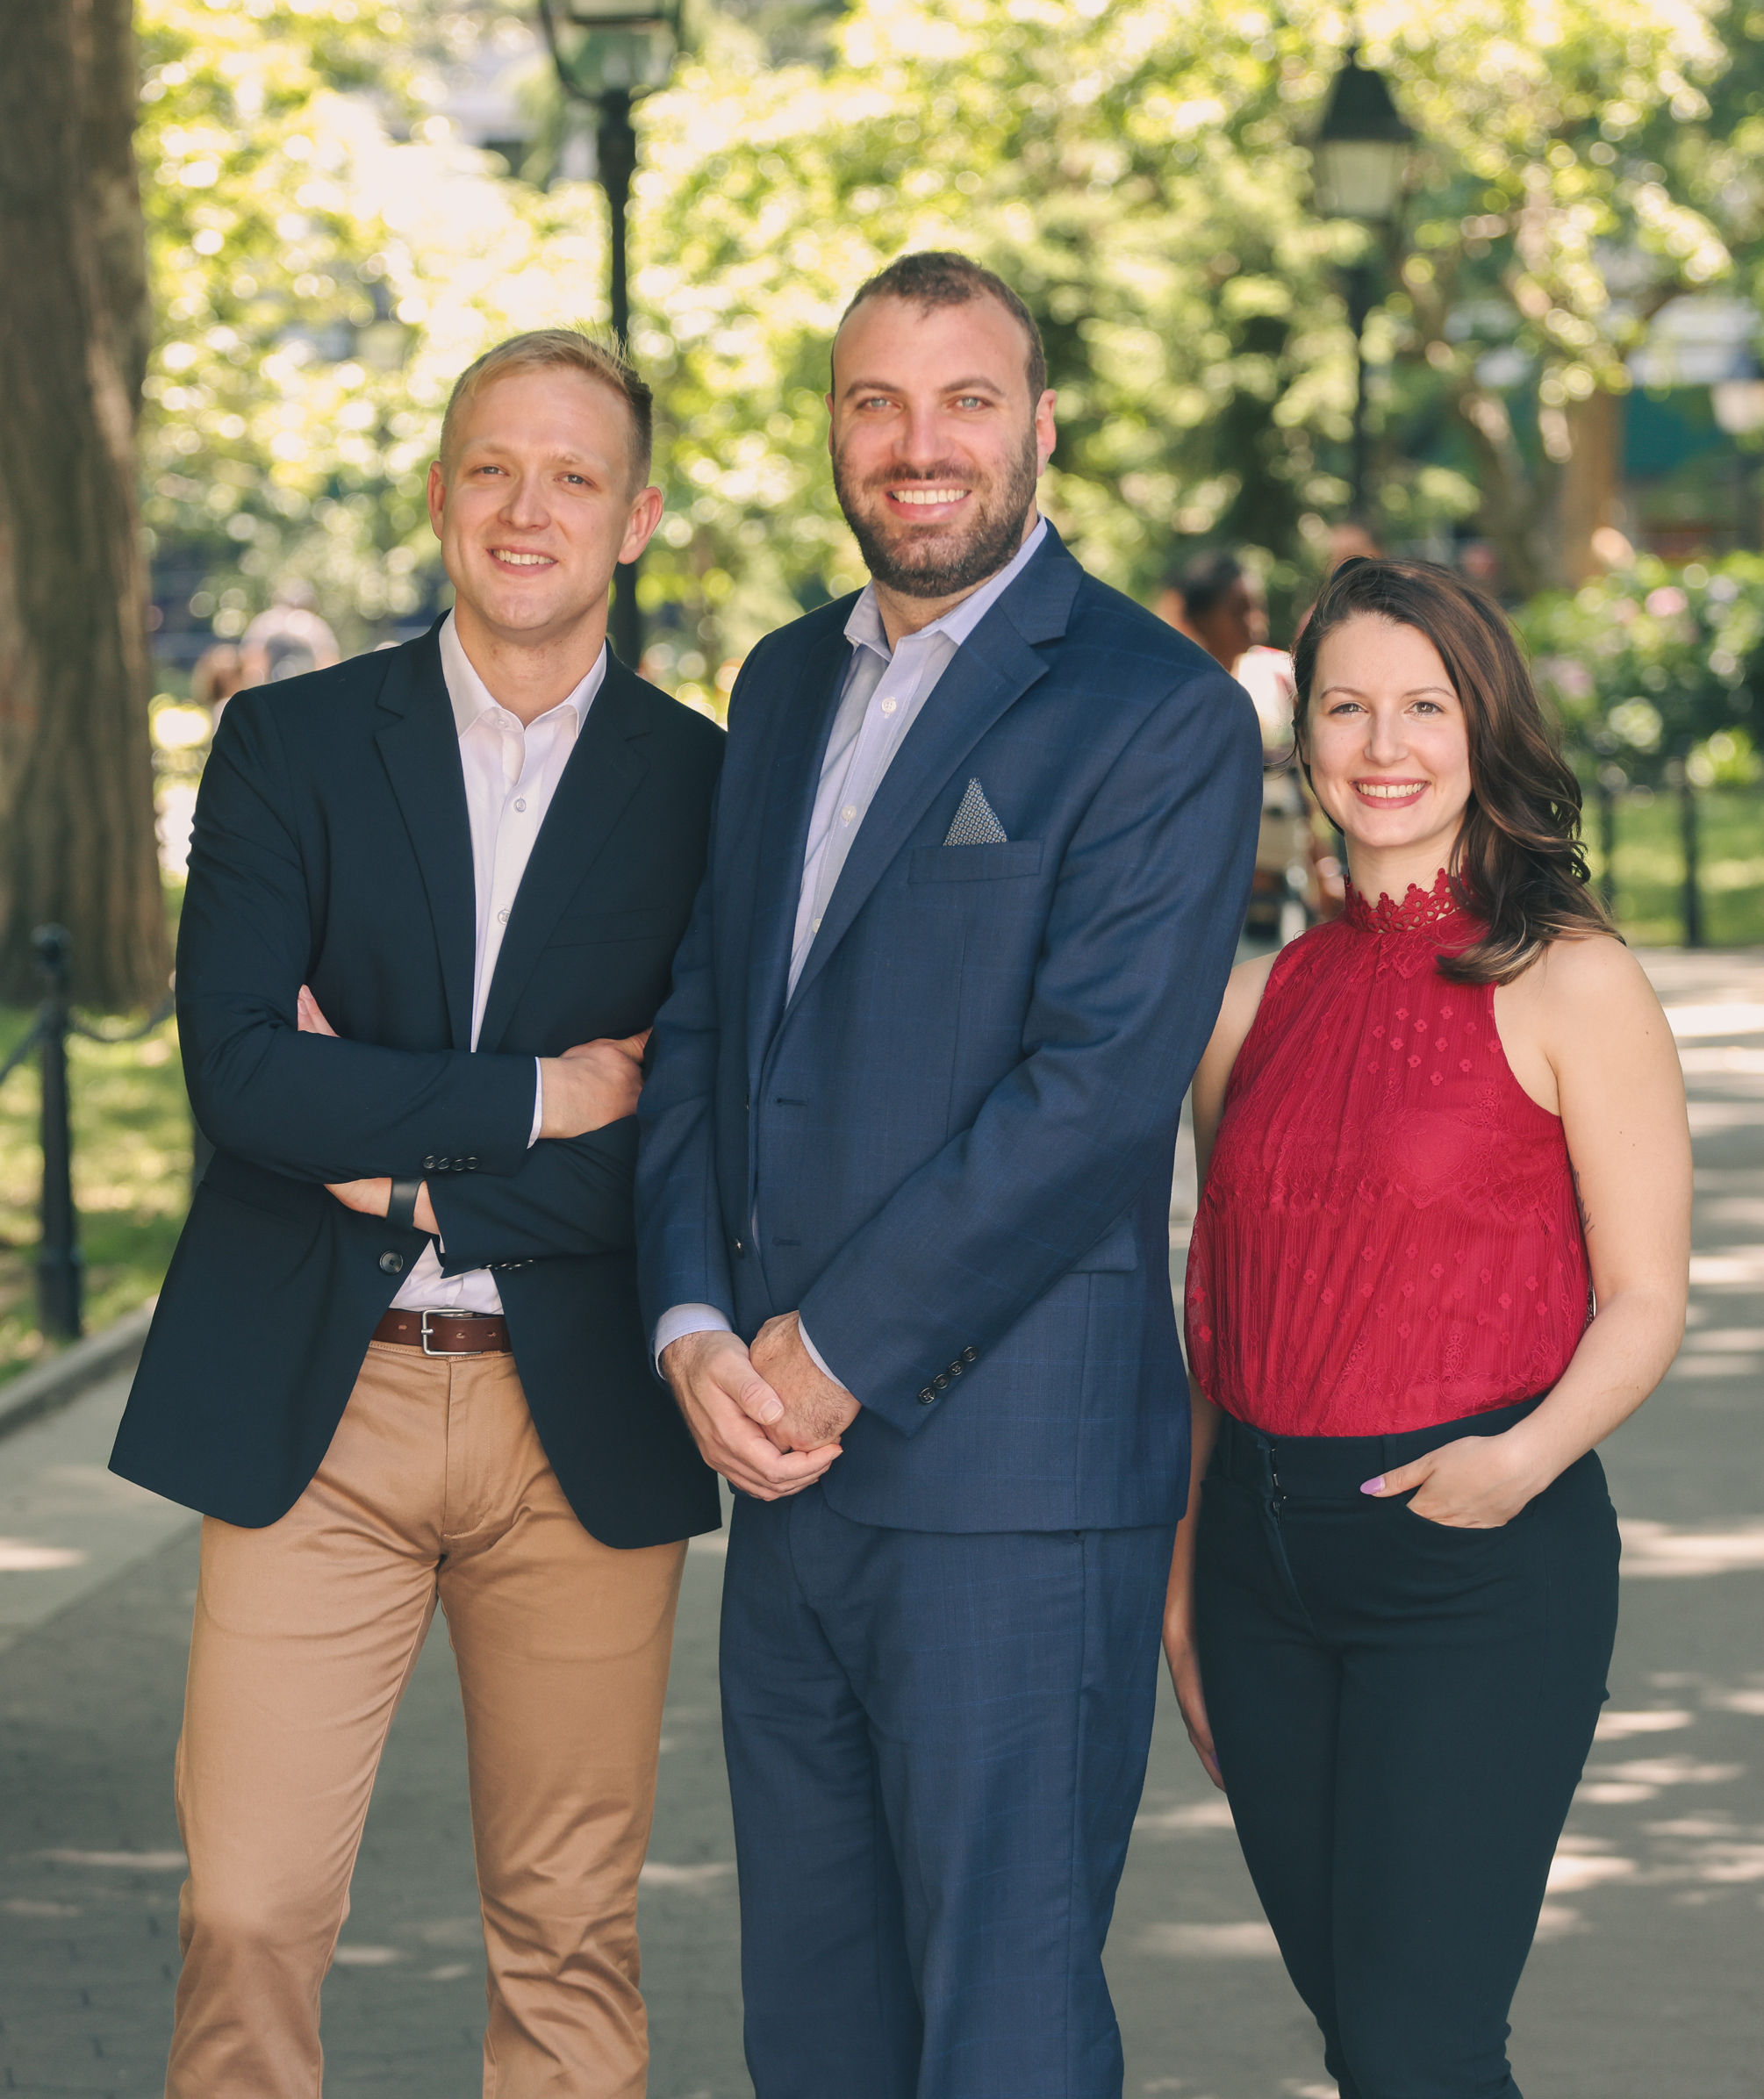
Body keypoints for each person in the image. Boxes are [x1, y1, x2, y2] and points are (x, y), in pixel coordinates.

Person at [636, 250, 1262, 2099]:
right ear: (835, 429)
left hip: (1014, 1488)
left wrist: (823, 1355)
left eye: (967, 401)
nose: (922, 448)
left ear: (1042, 426)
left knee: (1000, 2029)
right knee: (813, 2024)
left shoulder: (1154, 713)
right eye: (878, 403)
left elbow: (1088, 1101)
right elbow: (699, 1030)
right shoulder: (774, 688)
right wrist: (689, 1326)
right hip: (779, 1477)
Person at [110, 328, 724, 2098]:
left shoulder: (710, 788)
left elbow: (689, 1131)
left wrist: (373, 1134)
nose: (526, 509)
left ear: (637, 519)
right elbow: (240, 1080)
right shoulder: (289, 744)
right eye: (492, 468)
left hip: (576, 1409)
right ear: (444, 492)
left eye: (574, 477)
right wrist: (539, 1094)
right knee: (246, 1905)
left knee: (568, 1934)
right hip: (322, 1394)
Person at [1168, 556, 1690, 2099]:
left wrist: (1515, 1466)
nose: (1381, 744)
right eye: (1345, 707)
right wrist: (1189, 1582)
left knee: (1418, 2049)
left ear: (1483, 730)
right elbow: (1220, 1313)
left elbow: (1648, 1297)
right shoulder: (1246, 1007)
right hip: (1259, 1572)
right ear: (1303, 740)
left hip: (1471, 1562)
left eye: (1423, 705)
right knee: (1371, 2041)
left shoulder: (1570, 977)